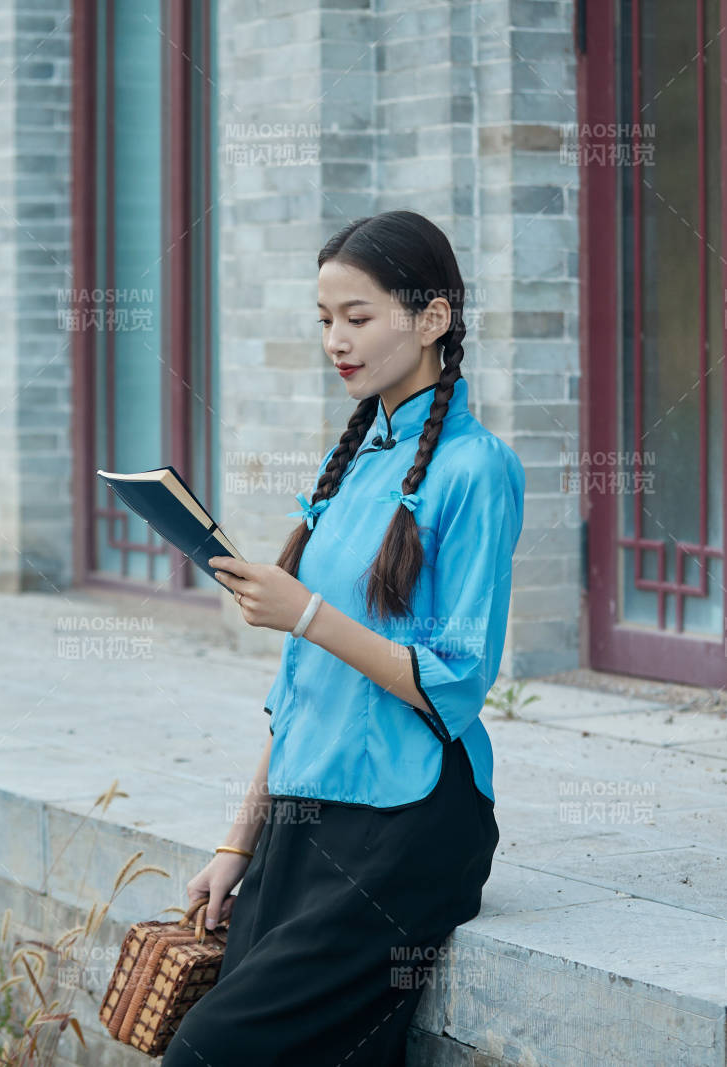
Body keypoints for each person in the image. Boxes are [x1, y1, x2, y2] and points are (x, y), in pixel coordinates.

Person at [160, 210, 525, 1066]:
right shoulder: (358, 461)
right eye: (325, 319)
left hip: (410, 821)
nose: (336, 340)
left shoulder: (477, 469)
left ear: (433, 319)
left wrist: (307, 613)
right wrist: (237, 843)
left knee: (206, 1051)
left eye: (357, 317)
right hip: (305, 815)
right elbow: (299, 692)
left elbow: (455, 681)